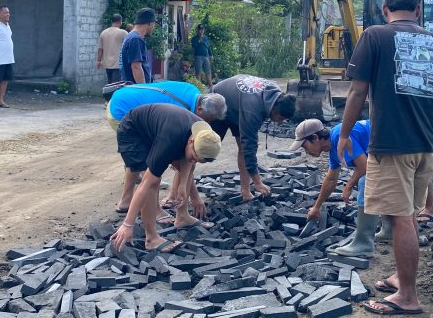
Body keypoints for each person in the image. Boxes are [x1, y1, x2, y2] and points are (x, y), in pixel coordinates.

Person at [337, 0, 433, 316]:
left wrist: (344, 134)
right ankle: (403, 280)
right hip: (424, 146)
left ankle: (408, 296)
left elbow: (357, 92)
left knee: (398, 218)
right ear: (419, 10)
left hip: (391, 145)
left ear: (385, 9)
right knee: (408, 216)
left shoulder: (374, 36)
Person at [108, 103, 222, 254]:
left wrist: (182, 185)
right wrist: (128, 224)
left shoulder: (205, 134)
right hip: (132, 132)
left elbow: (189, 161)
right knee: (153, 182)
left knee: (189, 164)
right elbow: (145, 184)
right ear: (191, 141)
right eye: (195, 156)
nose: (195, 160)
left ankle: (182, 217)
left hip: (157, 129)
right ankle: (151, 238)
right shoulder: (171, 139)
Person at [106, 81, 227, 214]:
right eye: (208, 119)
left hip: (126, 99)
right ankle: (155, 210)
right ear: (200, 110)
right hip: (121, 110)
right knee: (150, 168)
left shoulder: (193, 93)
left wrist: (181, 188)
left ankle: (126, 201)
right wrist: (194, 196)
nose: (207, 123)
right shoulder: (179, 118)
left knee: (137, 158)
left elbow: (185, 161)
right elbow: (176, 159)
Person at [376, 97, 433, 242]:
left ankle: (429, 209)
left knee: (424, 164)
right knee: (426, 164)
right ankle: (428, 208)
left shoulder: (393, 112)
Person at [293, 117, 375, 257]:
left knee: (366, 183)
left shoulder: (338, 136)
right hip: (387, 151)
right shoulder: (333, 147)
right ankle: (388, 231)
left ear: (314, 137)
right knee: (373, 181)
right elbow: (331, 179)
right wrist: (316, 207)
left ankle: (364, 243)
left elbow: (364, 166)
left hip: (398, 147)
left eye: (304, 146)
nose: (306, 152)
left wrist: (348, 186)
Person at [209, 74, 296, 201]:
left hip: (237, 106)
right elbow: (249, 147)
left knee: (242, 148)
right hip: (217, 101)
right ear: (275, 110)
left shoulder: (276, 95)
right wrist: (258, 182)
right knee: (204, 150)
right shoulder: (253, 110)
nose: (280, 122)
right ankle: (178, 194)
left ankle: (245, 191)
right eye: (280, 119)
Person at [118, 8, 156, 84]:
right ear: (149, 23)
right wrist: (144, 89)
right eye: (154, 24)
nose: (153, 27)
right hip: (136, 88)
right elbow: (136, 67)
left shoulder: (131, 36)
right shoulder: (136, 39)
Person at [97, 13, 127, 84]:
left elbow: (100, 49)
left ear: (112, 22)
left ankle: (110, 95)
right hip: (118, 65)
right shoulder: (123, 33)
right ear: (120, 22)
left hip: (107, 64)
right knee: (116, 86)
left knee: (110, 84)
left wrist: (98, 61)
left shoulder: (103, 33)